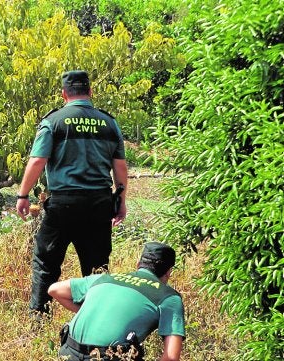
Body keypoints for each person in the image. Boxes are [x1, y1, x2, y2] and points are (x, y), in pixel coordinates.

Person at [16, 70, 128, 316]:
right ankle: (96, 318)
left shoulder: (53, 122)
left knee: (46, 263)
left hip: (64, 204)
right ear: (90, 92)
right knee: (97, 267)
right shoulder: (109, 123)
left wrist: (23, 195)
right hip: (99, 203)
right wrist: (121, 201)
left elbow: (37, 161)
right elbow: (119, 167)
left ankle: (38, 318)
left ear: (64, 94)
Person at [48, 242, 185, 361]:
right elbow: (171, 357)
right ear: (168, 272)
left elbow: (54, 290)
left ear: (138, 264)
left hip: (68, 352)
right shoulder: (169, 297)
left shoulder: (104, 278)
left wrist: (95, 311)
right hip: (110, 356)